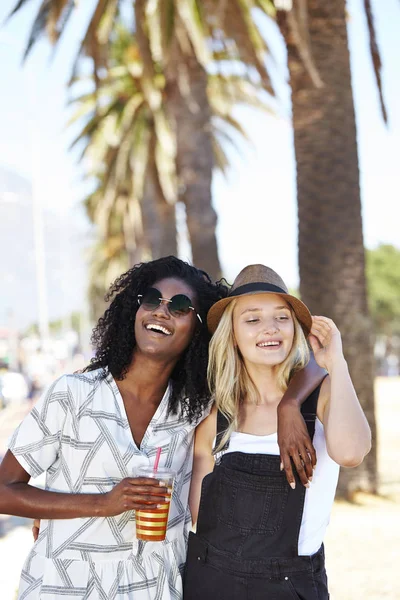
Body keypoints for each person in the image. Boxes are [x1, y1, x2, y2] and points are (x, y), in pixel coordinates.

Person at [0, 257, 325, 600]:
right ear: (134, 310)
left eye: (181, 306)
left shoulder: (198, 409)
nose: (161, 311)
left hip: (155, 589)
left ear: (199, 330)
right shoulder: (72, 394)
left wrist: (291, 404)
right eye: (152, 299)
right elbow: (5, 490)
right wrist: (99, 504)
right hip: (62, 587)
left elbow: (311, 359)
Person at [185, 264, 371, 600]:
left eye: (282, 317)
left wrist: (336, 363)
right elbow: (202, 517)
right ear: (233, 334)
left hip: (291, 587)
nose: (270, 328)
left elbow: (351, 452)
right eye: (253, 319)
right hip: (212, 582)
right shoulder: (217, 416)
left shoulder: (321, 397)